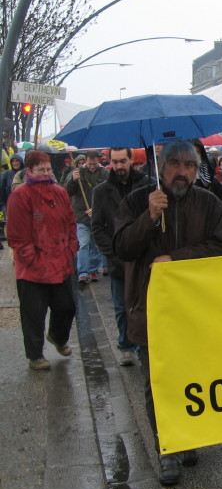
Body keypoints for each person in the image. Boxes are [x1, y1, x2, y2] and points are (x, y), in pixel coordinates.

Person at [114, 139, 222, 486]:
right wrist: (148, 217)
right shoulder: (137, 200)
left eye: (190, 166)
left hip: (194, 310)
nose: (182, 172)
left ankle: (188, 436)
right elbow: (123, 249)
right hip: (150, 308)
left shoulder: (210, 203)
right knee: (159, 383)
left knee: (191, 377)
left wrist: (176, 260)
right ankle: (167, 447)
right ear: (161, 167)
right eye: (176, 164)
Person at [6, 151, 77, 371]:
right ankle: (35, 355)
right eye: (41, 170)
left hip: (60, 262)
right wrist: (30, 257)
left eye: (48, 169)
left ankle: (57, 336)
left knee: (66, 307)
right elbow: (16, 234)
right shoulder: (20, 196)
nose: (46, 173)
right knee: (33, 314)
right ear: (29, 171)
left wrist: (72, 248)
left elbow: (71, 222)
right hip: (32, 267)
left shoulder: (60, 193)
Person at [91, 147, 149, 367]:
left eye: (122, 161)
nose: (118, 166)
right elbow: (97, 227)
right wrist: (113, 253)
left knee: (144, 304)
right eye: (114, 162)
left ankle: (144, 345)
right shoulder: (102, 191)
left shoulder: (146, 183)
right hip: (118, 258)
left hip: (143, 255)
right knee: (121, 306)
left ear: (131, 160)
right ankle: (125, 345)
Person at [65, 150, 108, 284]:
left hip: (97, 215)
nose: (92, 166)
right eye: (90, 164)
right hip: (81, 215)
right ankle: (82, 272)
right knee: (83, 244)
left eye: (94, 164)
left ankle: (93, 270)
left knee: (95, 245)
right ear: (86, 161)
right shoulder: (78, 172)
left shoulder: (105, 174)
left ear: (98, 161)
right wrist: (73, 180)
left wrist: (96, 209)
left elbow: (108, 194)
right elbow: (68, 191)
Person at [0, 152, 25, 247]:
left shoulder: (25, 173)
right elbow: (2, 190)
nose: (15, 163)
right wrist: (2, 205)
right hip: (10, 205)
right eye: (13, 161)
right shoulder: (7, 174)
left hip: (23, 206)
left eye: (17, 161)